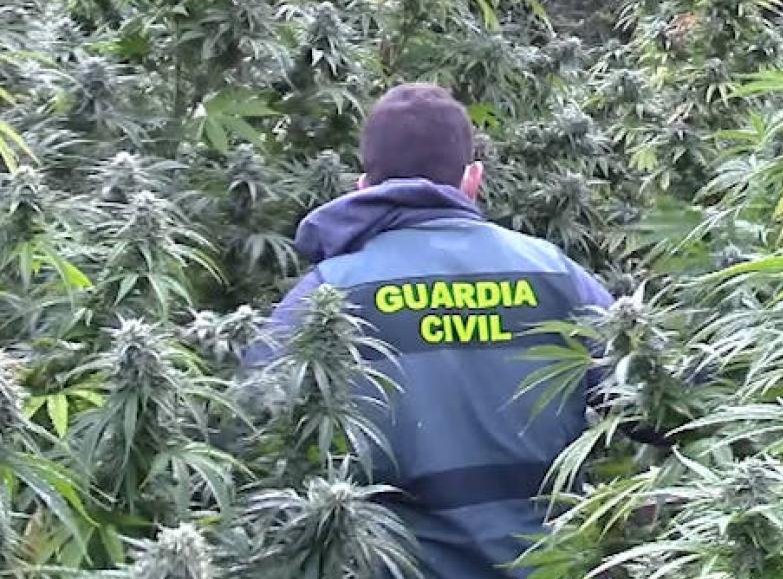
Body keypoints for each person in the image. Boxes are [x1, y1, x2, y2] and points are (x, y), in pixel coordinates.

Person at [252, 82, 616, 579]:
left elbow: (252, 434)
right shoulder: (556, 274)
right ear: (473, 180)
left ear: (363, 186)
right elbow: (658, 403)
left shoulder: (325, 294)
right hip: (550, 566)